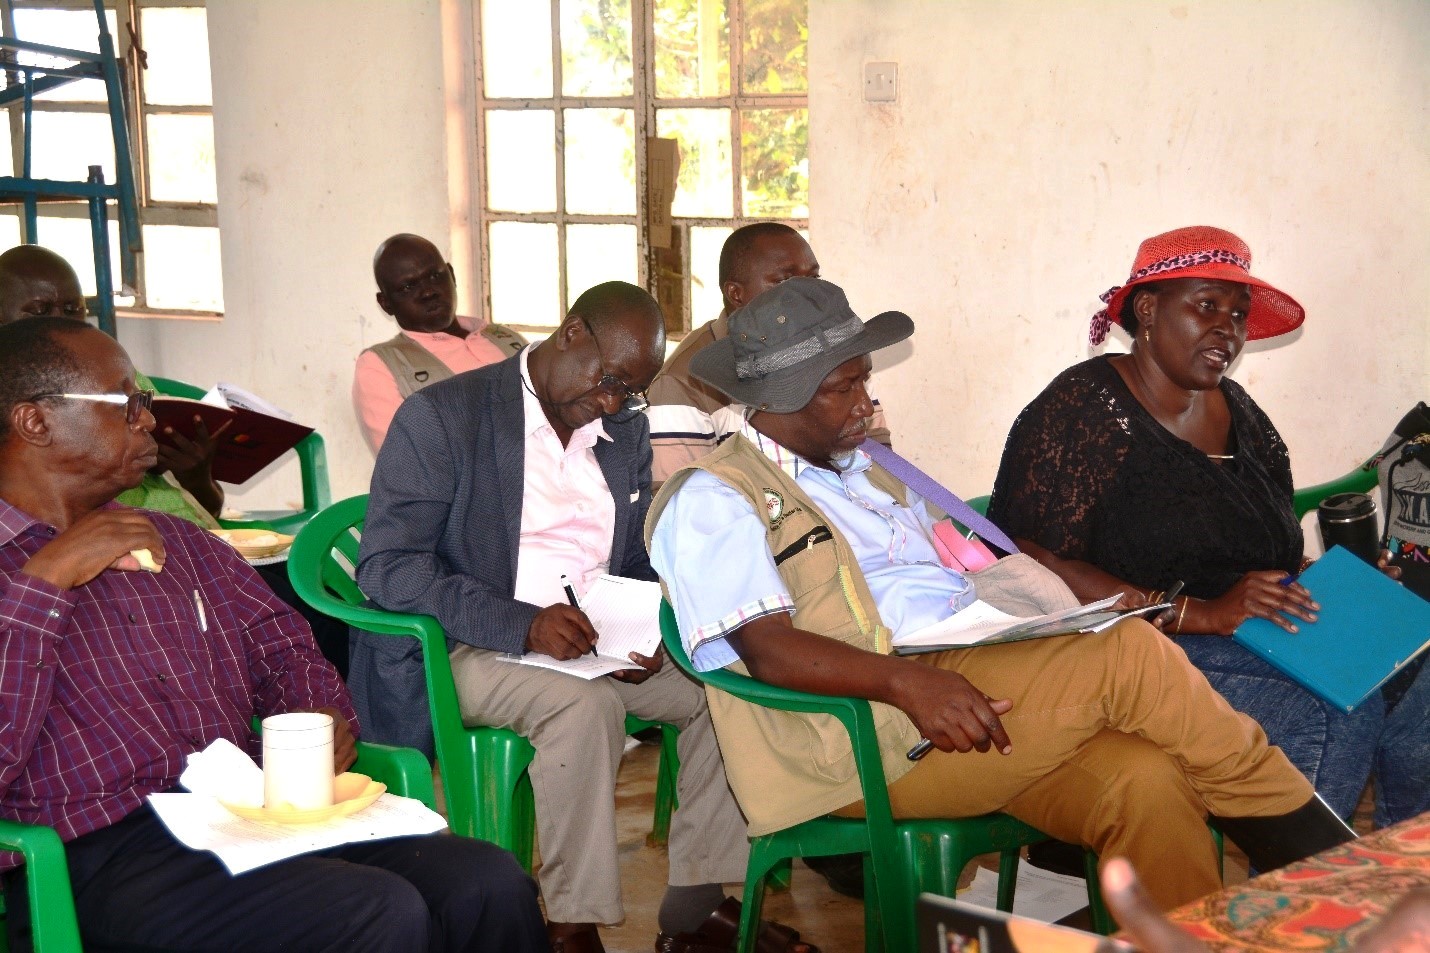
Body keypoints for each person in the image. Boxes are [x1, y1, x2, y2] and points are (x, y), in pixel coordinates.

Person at [647, 276, 1358, 913]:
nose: (867, 403)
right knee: (1131, 655)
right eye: (845, 388)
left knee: (1148, 781)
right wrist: (906, 683)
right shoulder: (716, 497)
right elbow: (768, 650)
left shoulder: (871, 469)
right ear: (780, 397)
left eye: (866, 381)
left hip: (966, 684)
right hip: (859, 737)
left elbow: (960, 570)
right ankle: (1329, 871)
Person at [0, 317, 547, 953]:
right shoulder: (19, 571)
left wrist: (316, 714)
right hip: (99, 850)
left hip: (247, 810)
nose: (148, 420)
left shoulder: (179, 541)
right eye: (127, 402)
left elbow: (282, 645)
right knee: (374, 912)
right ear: (35, 421)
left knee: (485, 882)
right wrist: (46, 580)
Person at [358, 281, 812, 953]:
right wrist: (521, 621)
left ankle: (697, 904)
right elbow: (388, 567)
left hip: (590, 638)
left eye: (631, 391)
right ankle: (571, 923)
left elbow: (632, 552)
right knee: (583, 709)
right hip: (467, 645)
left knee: (727, 684)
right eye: (608, 381)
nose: (612, 403)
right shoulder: (444, 416)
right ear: (571, 333)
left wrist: (650, 625)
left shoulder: (621, 428)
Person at [987, 226, 1430, 828]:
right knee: (1333, 708)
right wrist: (1198, 612)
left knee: (1418, 668)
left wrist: (1328, 580)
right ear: (1148, 310)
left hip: (1251, 633)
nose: (1228, 329)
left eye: (1239, 314)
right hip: (1136, 649)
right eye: (1207, 306)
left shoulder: (1240, 412)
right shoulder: (1085, 407)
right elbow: (1030, 559)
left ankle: (1401, 867)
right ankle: (1298, 887)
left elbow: (1257, 551)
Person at [0, 244, 352, 676]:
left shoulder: (119, 379)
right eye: (40, 310)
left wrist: (196, 475)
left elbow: (202, 510)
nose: (145, 419)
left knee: (323, 612)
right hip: (107, 556)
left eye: (73, 308)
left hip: (192, 542)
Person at [647, 223, 891, 487]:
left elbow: (882, 468)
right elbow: (683, 499)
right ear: (736, 294)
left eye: (813, 278)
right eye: (785, 281)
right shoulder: (681, 383)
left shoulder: (837, 348)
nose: (807, 294)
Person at [353, 233, 526, 454]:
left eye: (435, 276)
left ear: (452, 275)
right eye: (407, 287)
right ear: (386, 303)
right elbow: (407, 462)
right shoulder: (380, 366)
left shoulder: (506, 338)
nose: (428, 292)